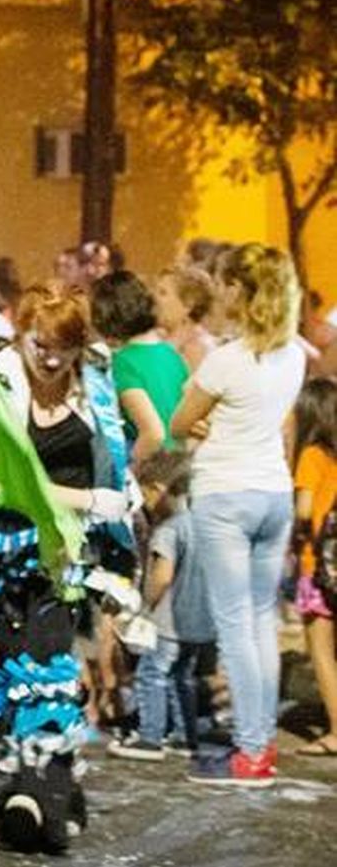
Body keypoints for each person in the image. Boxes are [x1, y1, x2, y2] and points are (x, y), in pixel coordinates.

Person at [0, 281, 138, 853]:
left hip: (67, 560)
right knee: (15, 679)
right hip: (0, 551)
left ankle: (38, 803)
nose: (52, 358)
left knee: (50, 677)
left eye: (65, 346)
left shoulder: (95, 388)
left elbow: (117, 469)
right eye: (42, 343)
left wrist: (111, 504)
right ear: (22, 335)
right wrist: (81, 499)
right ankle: (46, 791)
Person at [171, 244, 306, 787]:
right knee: (260, 624)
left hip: (226, 495)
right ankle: (262, 743)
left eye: (227, 283)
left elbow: (181, 420)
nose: (220, 291)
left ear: (241, 293)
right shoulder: (292, 354)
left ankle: (249, 752)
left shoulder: (227, 359)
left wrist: (203, 420)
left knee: (234, 628)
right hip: (273, 493)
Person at [107, 450, 212, 761]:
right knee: (183, 677)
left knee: (151, 675)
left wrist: (143, 607)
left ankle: (150, 737)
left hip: (167, 620)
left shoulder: (168, 530)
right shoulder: (201, 524)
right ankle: (184, 736)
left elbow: (162, 576)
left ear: (157, 489)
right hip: (198, 620)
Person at [90, 270, 189, 464]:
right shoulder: (172, 355)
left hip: (153, 473)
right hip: (179, 470)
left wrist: (128, 474)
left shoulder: (124, 362)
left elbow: (153, 433)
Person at [291, 379, 337, 757]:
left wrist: (296, 531)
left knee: (321, 651)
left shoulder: (313, 455)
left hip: (319, 567)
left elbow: (305, 510)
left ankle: (336, 729)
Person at [153, 264, 217, 373]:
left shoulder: (197, 349)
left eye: (163, 293)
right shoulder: (156, 339)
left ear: (188, 305)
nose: (154, 298)